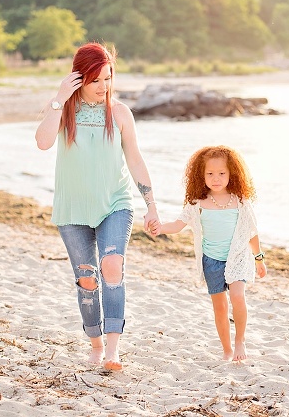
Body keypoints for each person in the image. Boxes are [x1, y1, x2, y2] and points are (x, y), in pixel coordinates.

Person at [35, 42, 160, 371]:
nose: (103, 87)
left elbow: (134, 158)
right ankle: (94, 344)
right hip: (73, 210)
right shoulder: (64, 110)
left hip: (115, 205)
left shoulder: (119, 113)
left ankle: (112, 350)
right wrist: (58, 99)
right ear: (79, 79)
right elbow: (43, 141)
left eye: (108, 79)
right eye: (96, 80)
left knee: (112, 268)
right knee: (87, 280)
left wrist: (151, 205)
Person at [153, 145, 266, 362]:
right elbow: (178, 225)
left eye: (222, 173)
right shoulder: (198, 203)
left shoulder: (240, 201)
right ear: (201, 175)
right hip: (211, 260)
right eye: (210, 174)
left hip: (238, 257)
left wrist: (259, 259)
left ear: (232, 173)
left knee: (237, 297)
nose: (216, 178)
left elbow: (250, 232)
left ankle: (240, 339)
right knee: (220, 307)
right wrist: (159, 228)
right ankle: (226, 349)